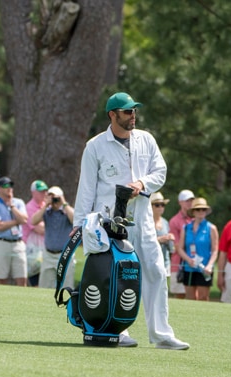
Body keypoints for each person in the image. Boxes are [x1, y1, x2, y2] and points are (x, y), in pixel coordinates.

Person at [72, 91, 189, 350]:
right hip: (109, 223)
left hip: (143, 221)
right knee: (116, 276)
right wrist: (79, 225)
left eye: (134, 110)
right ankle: (118, 331)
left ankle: (161, 334)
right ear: (112, 115)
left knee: (156, 272)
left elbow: (160, 172)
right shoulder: (95, 146)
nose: (132, 115)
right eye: (127, 111)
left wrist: (142, 183)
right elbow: (86, 188)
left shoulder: (146, 139)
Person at [0, 176, 28, 286]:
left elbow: (24, 220)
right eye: (5, 186)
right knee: (1, 278)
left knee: (22, 277)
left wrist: (12, 206)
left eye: (10, 185)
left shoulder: (18, 202)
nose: (9, 188)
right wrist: (16, 221)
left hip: (18, 243)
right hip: (1, 243)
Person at [31, 185, 74, 289]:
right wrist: (45, 205)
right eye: (51, 196)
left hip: (65, 255)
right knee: (45, 287)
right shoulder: (46, 212)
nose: (54, 199)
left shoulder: (67, 211)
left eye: (55, 197)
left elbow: (75, 220)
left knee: (66, 286)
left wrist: (63, 203)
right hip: (48, 255)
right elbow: (33, 221)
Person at [176, 198, 218, 301]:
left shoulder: (211, 228)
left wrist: (210, 265)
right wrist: (188, 260)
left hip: (204, 268)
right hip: (189, 267)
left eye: (203, 209)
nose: (201, 212)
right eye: (198, 209)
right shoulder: (186, 228)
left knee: (203, 297)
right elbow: (180, 248)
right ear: (193, 212)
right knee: (190, 298)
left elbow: (215, 250)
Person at [168, 189, 194, 298]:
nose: (190, 203)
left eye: (191, 200)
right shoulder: (174, 221)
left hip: (194, 262)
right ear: (180, 202)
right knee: (180, 295)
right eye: (187, 201)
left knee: (195, 296)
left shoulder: (196, 219)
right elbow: (177, 245)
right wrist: (189, 259)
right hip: (179, 263)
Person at [24, 180, 48, 286]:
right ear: (33, 192)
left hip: (44, 247)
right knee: (35, 280)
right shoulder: (29, 207)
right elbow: (39, 229)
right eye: (41, 191)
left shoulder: (46, 206)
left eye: (45, 191)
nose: (44, 194)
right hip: (32, 249)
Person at [150, 192, 174, 275]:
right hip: (150, 262)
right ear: (150, 206)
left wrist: (170, 238)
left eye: (162, 205)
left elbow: (172, 249)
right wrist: (158, 240)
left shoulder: (165, 222)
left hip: (165, 262)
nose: (160, 207)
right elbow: (142, 241)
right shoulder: (147, 223)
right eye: (157, 205)